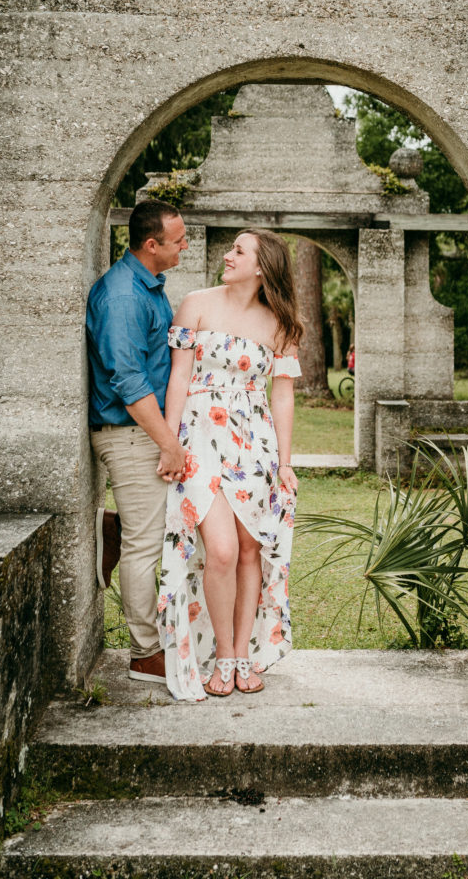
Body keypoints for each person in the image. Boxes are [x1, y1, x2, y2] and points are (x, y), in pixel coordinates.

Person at [158, 229, 302, 700]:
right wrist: (170, 443)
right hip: (199, 439)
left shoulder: (280, 324)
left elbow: (282, 396)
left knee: (248, 551)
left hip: (253, 445)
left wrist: (283, 462)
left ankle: (242, 654)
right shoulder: (195, 303)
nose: (227, 255)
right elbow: (178, 377)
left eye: (238, 251)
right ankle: (221, 653)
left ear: (262, 267)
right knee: (218, 551)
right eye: (231, 248)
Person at [86, 199, 188, 685]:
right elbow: (127, 380)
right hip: (132, 435)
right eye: (179, 240)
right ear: (152, 245)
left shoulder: (147, 286)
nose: (185, 245)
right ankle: (145, 652)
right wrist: (168, 443)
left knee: (154, 531)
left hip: (144, 432)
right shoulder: (124, 295)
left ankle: (115, 526)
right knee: (146, 546)